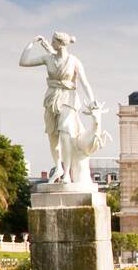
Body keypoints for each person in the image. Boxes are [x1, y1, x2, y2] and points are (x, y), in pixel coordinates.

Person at [19, 32, 96, 183]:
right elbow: (23, 62)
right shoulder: (48, 58)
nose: (51, 43)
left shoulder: (74, 61)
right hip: (51, 98)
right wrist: (31, 43)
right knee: (52, 136)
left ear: (60, 43)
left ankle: (67, 173)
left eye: (53, 41)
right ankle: (58, 167)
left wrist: (92, 100)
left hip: (68, 98)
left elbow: (85, 83)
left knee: (65, 134)